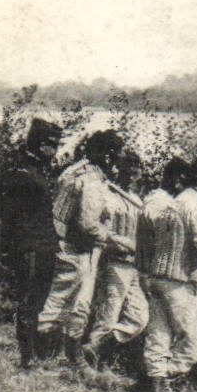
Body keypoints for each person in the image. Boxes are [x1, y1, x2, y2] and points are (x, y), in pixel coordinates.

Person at [136, 157, 197, 392]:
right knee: (189, 344)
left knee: (158, 336)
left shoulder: (169, 203)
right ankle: (160, 385)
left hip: (157, 277)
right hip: (182, 281)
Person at [39, 128, 126, 366]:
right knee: (63, 301)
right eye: (117, 155)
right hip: (75, 248)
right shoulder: (92, 182)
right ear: (107, 156)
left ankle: (56, 355)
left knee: (66, 300)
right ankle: (45, 357)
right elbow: (88, 224)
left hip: (61, 242)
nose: (119, 162)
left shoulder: (77, 170)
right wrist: (115, 240)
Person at [0, 118, 63, 369]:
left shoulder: (38, 170)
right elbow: (8, 213)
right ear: (39, 144)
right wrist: (9, 249)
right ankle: (27, 356)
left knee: (39, 301)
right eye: (51, 145)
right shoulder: (22, 173)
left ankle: (33, 351)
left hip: (45, 245)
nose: (54, 151)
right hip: (30, 246)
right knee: (28, 301)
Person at [82, 150, 149, 373]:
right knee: (108, 314)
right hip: (113, 261)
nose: (132, 176)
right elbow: (98, 229)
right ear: (119, 171)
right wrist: (119, 242)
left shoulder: (138, 201)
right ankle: (93, 366)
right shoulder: (108, 196)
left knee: (139, 318)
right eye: (128, 172)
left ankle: (98, 349)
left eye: (136, 173)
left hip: (134, 267)